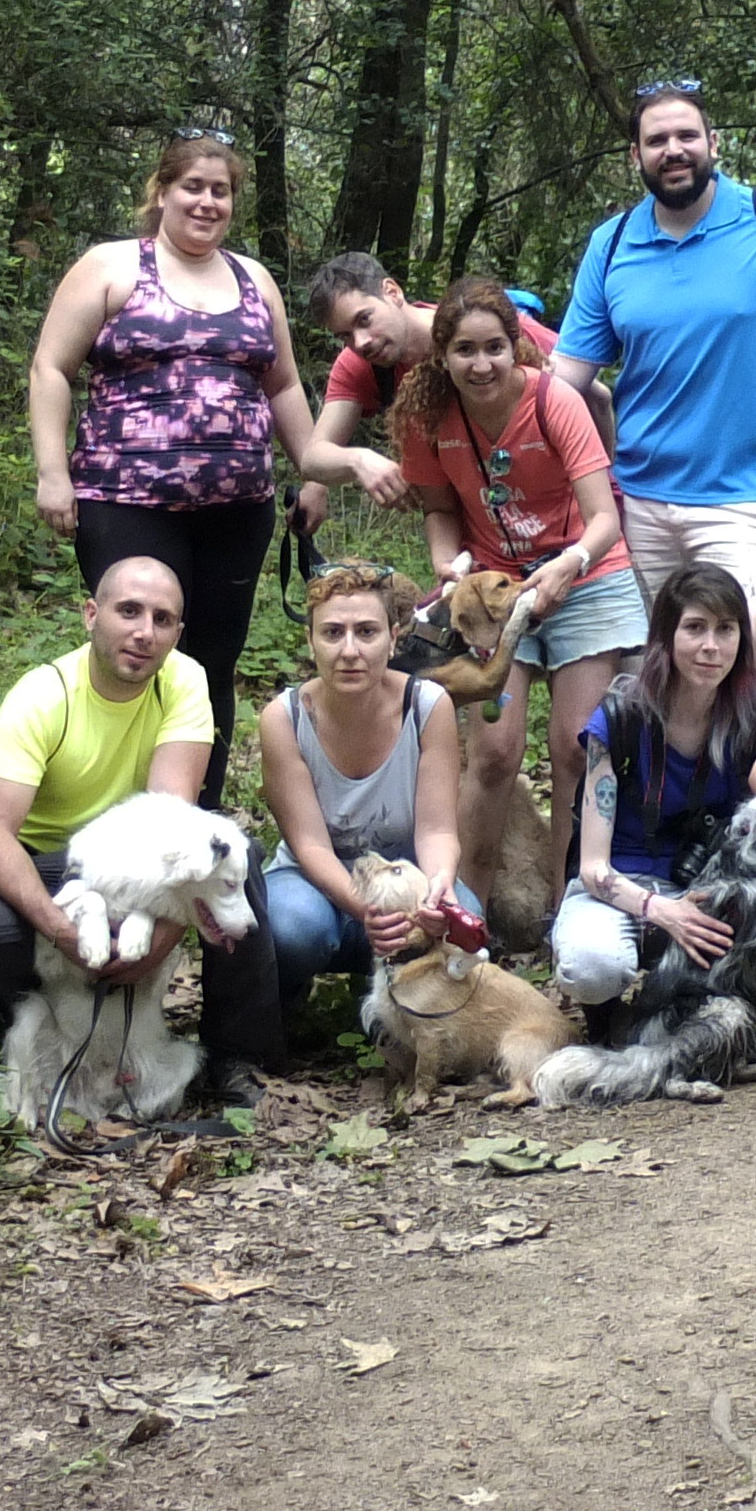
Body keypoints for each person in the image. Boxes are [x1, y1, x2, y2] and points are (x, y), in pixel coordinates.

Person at [27, 127, 404, 751]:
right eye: (192, 188)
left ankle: (198, 817)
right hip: (124, 504)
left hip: (238, 512)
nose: (207, 202)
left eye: (221, 192)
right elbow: (50, 369)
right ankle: (115, 802)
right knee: (136, 653)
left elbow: (282, 385)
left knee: (211, 665)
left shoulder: (255, 280)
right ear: (163, 192)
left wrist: (311, 477)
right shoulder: (111, 266)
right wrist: (52, 473)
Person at [0, 557, 281, 1103]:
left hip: (133, 858)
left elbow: (172, 839)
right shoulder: (42, 695)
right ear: (91, 615)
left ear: (177, 632)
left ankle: (233, 1056)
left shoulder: (185, 682)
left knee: (240, 864)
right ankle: (42, 1029)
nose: (144, 633)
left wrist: (157, 942)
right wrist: (62, 931)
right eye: (128, 611)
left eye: (163, 619)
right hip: (52, 862)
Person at [552, 81, 756, 606]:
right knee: (650, 670)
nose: (673, 150)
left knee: (742, 662)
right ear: (635, 157)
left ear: (714, 143)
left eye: (686, 135)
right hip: (638, 503)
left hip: (750, 501)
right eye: (656, 140)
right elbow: (566, 380)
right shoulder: (612, 242)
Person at [394, 274, 641, 838]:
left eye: (493, 348)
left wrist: (569, 563)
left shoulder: (554, 400)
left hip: (585, 575)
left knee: (575, 747)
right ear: (442, 355)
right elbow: (439, 510)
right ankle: (464, 906)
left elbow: (604, 518)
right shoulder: (429, 418)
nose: (481, 365)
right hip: (493, 590)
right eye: (464, 350)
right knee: (494, 753)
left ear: (515, 346)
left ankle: (567, 907)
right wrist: (446, 562)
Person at [551, 565, 756, 1013]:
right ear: (666, 636)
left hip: (709, 883)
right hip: (618, 883)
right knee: (592, 967)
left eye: (726, 630)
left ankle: (678, 1006)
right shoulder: (619, 718)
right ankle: (608, 1012)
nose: (710, 647)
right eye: (694, 628)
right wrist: (662, 911)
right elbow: (592, 868)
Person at [257, 564, 470, 1001]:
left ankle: (408, 1008)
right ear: (310, 641)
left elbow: (436, 829)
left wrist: (437, 890)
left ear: (394, 639)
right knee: (293, 929)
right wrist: (367, 911)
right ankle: (288, 996)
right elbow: (310, 844)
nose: (349, 650)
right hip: (314, 882)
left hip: (404, 874)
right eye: (333, 633)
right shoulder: (284, 717)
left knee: (465, 913)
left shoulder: (428, 706)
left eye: (367, 632)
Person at [303, 251, 557, 513]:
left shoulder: (484, 329)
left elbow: (582, 386)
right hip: (462, 517)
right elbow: (313, 457)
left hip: (550, 502)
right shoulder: (358, 364)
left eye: (364, 320)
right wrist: (356, 461)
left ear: (393, 292)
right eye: (345, 335)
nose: (360, 342)